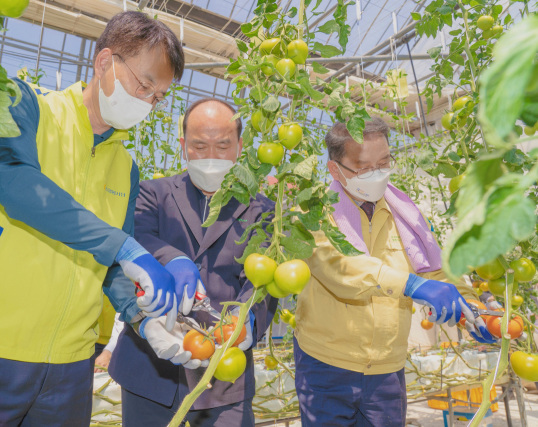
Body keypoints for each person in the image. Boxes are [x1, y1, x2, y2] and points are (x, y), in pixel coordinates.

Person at [0, 12, 200, 427]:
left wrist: (145, 320)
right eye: (144, 84)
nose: (148, 102)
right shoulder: (24, 106)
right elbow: (16, 184)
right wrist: (123, 246)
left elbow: (113, 270)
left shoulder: (126, 167)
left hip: (69, 366)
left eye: (158, 96)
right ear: (105, 63)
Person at [293, 118, 495, 427]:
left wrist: (472, 307)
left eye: (384, 162)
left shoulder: (404, 212)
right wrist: (412, 284)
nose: (377, 174)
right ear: (335, 170)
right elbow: (340, 268)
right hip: (326, 365)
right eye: (363, 167)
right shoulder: (314, 210)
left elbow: (437, 270)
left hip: (387, 369)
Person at [105, 98, 278, 427]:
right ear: (183, 146)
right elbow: (133, 235)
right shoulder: (150, 194)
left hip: (225, 377)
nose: (211, 156)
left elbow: (263, 280)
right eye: (199, 145)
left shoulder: (262, 212)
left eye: (223, 145)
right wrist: (172, 259)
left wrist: (247, 320)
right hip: (150, 373)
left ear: (240, 147)